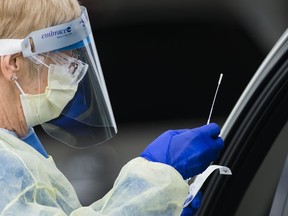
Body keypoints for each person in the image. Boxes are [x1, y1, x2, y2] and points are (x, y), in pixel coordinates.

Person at [0, 0, 224, 215]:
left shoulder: (17, 149)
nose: (74, 72)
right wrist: (155, 178)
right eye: (62, 61)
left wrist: (159, 206)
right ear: (14, 63)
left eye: (75, 58)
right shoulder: (5, 164)